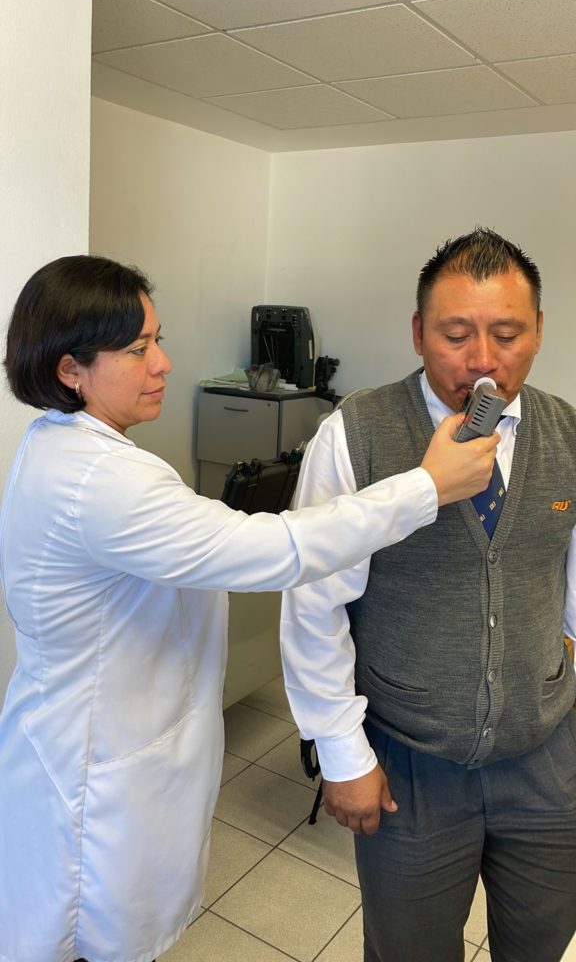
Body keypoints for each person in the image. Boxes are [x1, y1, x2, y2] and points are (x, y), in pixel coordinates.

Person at [0, 254, 497, 962]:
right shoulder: (98, 480)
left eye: (158, 339)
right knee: (80, 937)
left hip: (87, 743)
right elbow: (278, 551)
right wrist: (426, 486)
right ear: (69, 369)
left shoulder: (62, 447)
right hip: (90, 776)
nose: (164, 363)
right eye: (138, 349)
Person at [281, 227, 576, 962]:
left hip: (546, 759)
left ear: (539, 331)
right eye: (455, 335)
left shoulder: (567, 434)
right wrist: (341, 752)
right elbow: (315, 605)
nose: (482, 360)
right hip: (408, 761)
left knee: (540, 945)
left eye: (507, 334)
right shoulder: (355, 434)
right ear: (418, 333)